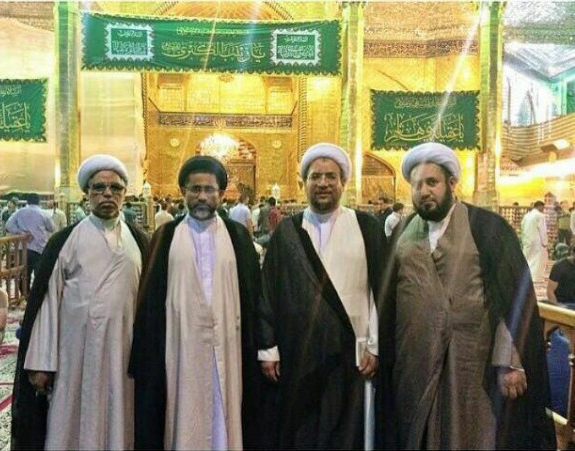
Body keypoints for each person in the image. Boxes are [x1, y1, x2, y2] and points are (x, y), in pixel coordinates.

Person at [377, 142, 555, 449]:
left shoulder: (486, 228)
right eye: (417, 185)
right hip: (415, 360)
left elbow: (512, 297)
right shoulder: (403, 232)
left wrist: (510, 359)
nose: (424, 191)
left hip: (470, 358)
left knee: (470, 432)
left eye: (432, 182)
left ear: (451, 184)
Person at [11, 155, 149, 450]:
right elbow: (47, 304)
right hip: (74, 352)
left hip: (124, 351)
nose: (107, 194)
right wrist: (42, 362)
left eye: (115, 188)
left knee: (120, 414)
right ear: (87, 193)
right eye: (99, 188)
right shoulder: (65, 241)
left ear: (125, 193)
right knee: (72, 416)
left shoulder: (140, 241)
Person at [257, 143, 387, 449]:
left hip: (352, 354)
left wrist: (376, 346)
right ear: (304, 183)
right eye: (315, 176)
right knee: (302, 434)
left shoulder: (366, 227)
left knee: (347, 434)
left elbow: (382, 291)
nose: (323, 183)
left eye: (331, 176)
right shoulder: (287, 232)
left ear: (343, 182)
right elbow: (268, 292)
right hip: (297, 354)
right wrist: (268, 348)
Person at [130, 156, 261, 449]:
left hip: (229, 344)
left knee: (225, 411)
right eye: (195, 189)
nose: (202, 196)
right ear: (183, 192)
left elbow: (254, 297)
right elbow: (150, 301)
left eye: (209, 189)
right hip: (179, 346)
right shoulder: (166, 236)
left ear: (222, 194)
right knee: (183, 410)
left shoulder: (238, 237)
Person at [5, 193, 55, 289]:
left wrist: (21, 232)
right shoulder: (43, 213)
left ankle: (25, 293)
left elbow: (8, 225)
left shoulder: (19, 212)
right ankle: (37, 294)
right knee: (39, 273)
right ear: (38, 202)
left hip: (23, 246)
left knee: (24, 272)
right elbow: (51, 228)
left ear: (27, 201)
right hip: (39, 248)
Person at [521, 200, 548, 283]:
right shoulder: (540, 216)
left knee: (527, 258)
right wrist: (545, 242)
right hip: (537, 241)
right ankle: (536, 278)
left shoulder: (527, 215)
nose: (543, 209)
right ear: (540, 206)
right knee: (537, 260)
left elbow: (522, 226)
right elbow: (542, 230)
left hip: (527, 239)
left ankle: (525, 276)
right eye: (543, 207)